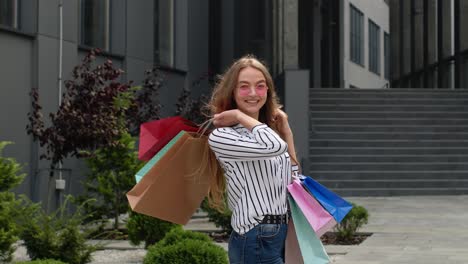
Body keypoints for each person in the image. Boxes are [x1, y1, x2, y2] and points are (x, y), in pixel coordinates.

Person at [205, 55, 299, 264]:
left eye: (260, 86)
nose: (253, 93)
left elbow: (293, 180)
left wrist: (287, 132)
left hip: (279, 233)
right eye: (244, 87)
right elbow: (275, 147)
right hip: (255, 234)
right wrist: (239, 116)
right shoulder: (223, 136)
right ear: (233, 92)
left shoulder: (267, 133)